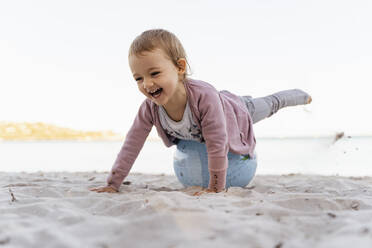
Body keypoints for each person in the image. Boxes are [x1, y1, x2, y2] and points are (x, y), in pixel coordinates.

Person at [90, 29, 312, 195]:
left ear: (179, 67)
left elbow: (217, 143)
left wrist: (215, 188)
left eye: (154, 73)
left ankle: (298, 95)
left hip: (236, 112)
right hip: (216, 111)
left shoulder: (203, 98)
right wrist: (112, 184)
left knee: (269, 105)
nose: (147, 84)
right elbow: (132, 143)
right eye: (138, 78)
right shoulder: (150, 108)